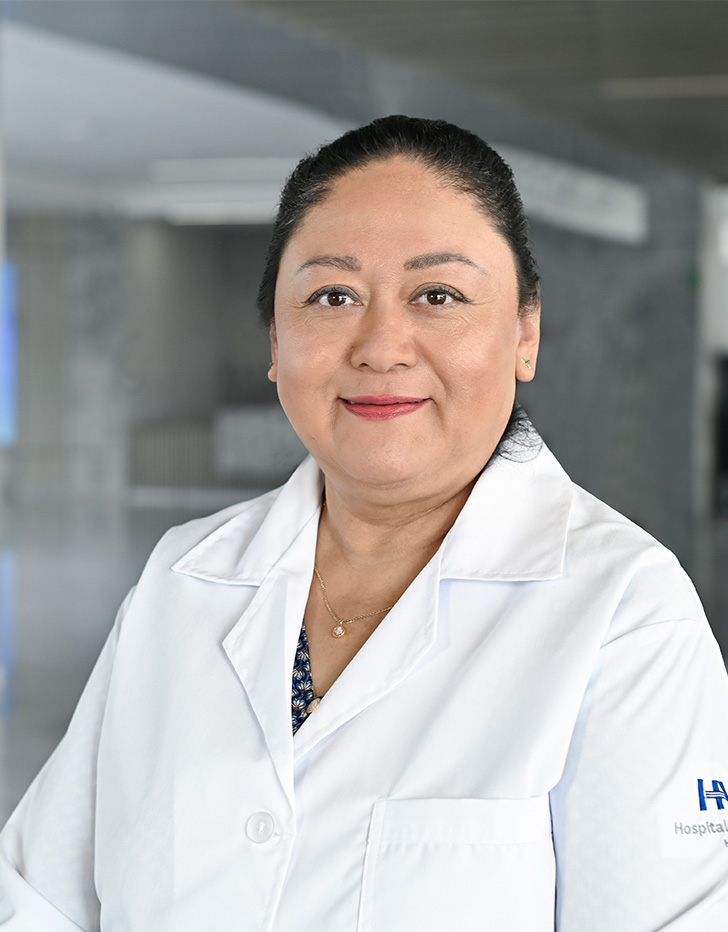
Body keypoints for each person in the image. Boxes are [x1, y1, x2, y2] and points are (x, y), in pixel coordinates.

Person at [1, 115, 727, 931]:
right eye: (332, 295)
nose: (382, 346)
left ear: (524, 334)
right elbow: (39, 894)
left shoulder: (625, 614)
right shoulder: (186, 578)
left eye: (438, 295)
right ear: (277, 337)